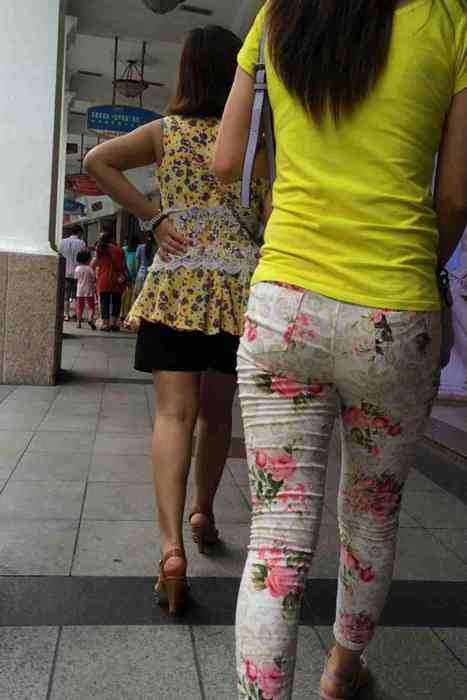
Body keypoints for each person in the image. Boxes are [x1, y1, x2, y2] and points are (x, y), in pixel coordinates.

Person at [213, 0, 467, 698]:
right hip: (394, 312)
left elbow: (226, 159)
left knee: (275, 539)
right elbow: (454, 197)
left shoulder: (278, 14)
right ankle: (341, 670)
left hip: (284, 306)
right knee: (372, 512)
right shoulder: (450, 20)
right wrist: (417, 269)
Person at [84, 25, 268, 615]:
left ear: (186, 73)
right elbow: (271, 211)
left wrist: (154, 216)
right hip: (237, 290)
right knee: (217, 414)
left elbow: (97, 160)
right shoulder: (256, 143)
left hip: (177, 286)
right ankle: (203, 514)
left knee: (172, 415)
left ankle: (170, 552)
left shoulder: (166, 132)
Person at [92, 227, 127, 332]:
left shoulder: (100, 250)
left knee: (104, 302)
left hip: (104, 279)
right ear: (112, 238)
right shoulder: (119, 250)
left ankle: (105, 324)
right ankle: (114, 323)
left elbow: (95, 263)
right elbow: (124, 266)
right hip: (117, 279)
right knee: (116, 301)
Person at [59, 226, 85, 321]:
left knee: (66, 295)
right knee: (77, 295)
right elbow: (83, 257)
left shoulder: (62, 242)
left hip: (65, 272)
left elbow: (59, 255)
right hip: (77, 272)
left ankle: (66, 315)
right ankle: (77, 315)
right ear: (79, 233)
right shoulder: (81, 243)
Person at [75, 249, 97, 330]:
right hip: (89, 290)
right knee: (91, 306)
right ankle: (90, 318)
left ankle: (78, 322)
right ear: (88, 259)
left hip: (79, 290)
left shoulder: (77, 268)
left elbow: (76, 278)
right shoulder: (89, 269)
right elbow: (94, 278)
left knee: (79, 307)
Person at [133, 231, 156, 301]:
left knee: (137, 295)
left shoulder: (140, 247)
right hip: (150, 274)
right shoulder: (155, 248)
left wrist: (136, 272)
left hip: (141, 273)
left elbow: (137, 263)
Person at [121, 234, 139, 321]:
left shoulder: (124, 249)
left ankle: (123, 313)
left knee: (125, 293)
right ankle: (126, 313)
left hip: (126, 273)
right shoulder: (136, 249)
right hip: (132, 274)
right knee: (130, 294)